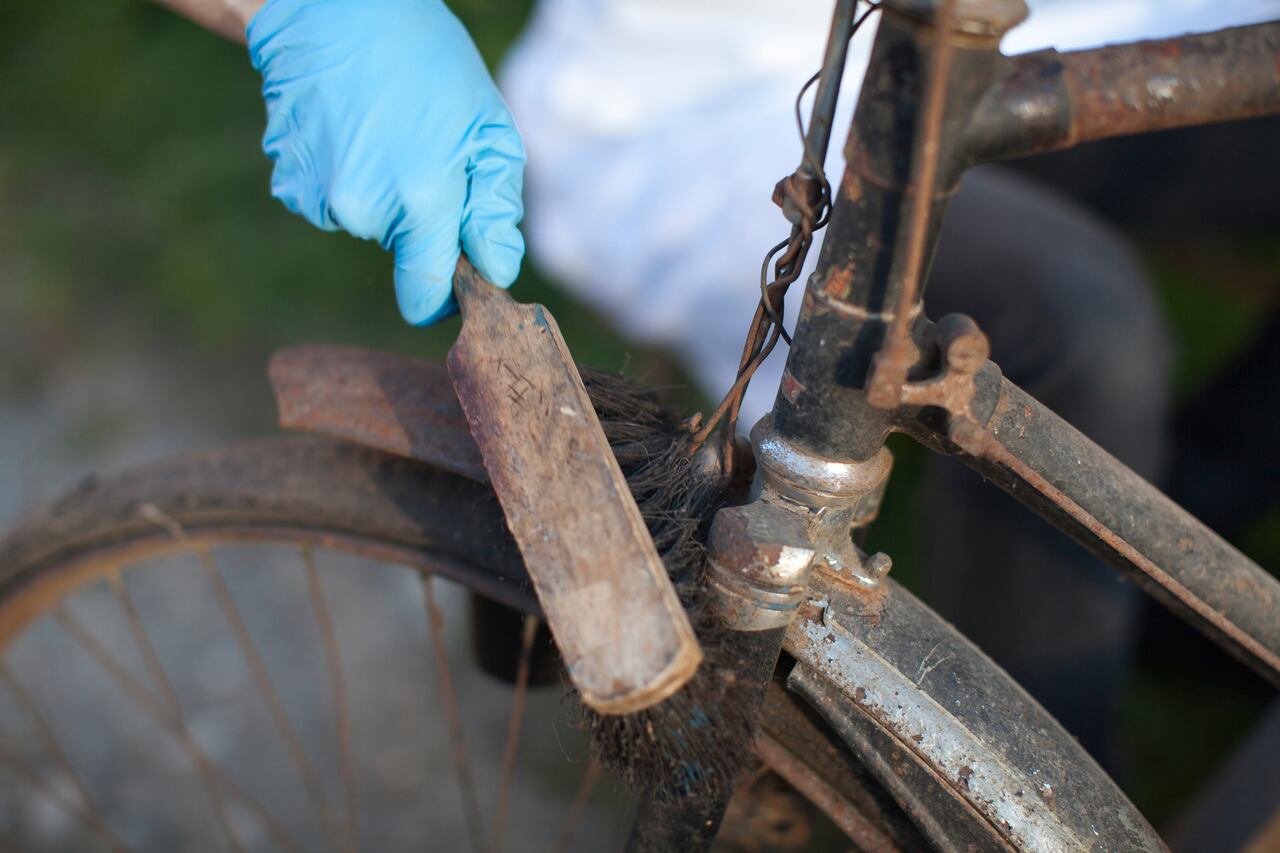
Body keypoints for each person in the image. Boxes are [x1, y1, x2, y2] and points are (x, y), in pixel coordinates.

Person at [152, 0, 1272, 769]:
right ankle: (1033, 772)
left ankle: (1180, 572)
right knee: (1077, 319)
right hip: (713, 96)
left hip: (1102, 32)